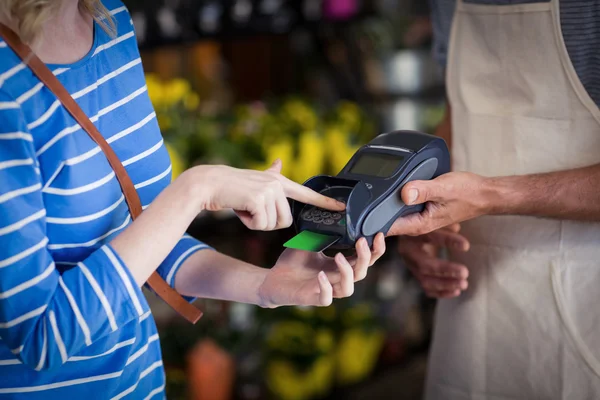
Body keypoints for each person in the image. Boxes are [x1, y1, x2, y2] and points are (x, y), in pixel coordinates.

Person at [0, 1, 387, 398]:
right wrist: (196, 189)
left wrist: (266, 287)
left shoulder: (109, 21)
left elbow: (145, 234)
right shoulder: (6, 83)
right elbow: (40, 337)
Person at [389, 0, 600, 398]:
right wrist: (416, 215)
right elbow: (460, 111)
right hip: (469, 308)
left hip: (584, 311)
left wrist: (490, 195)